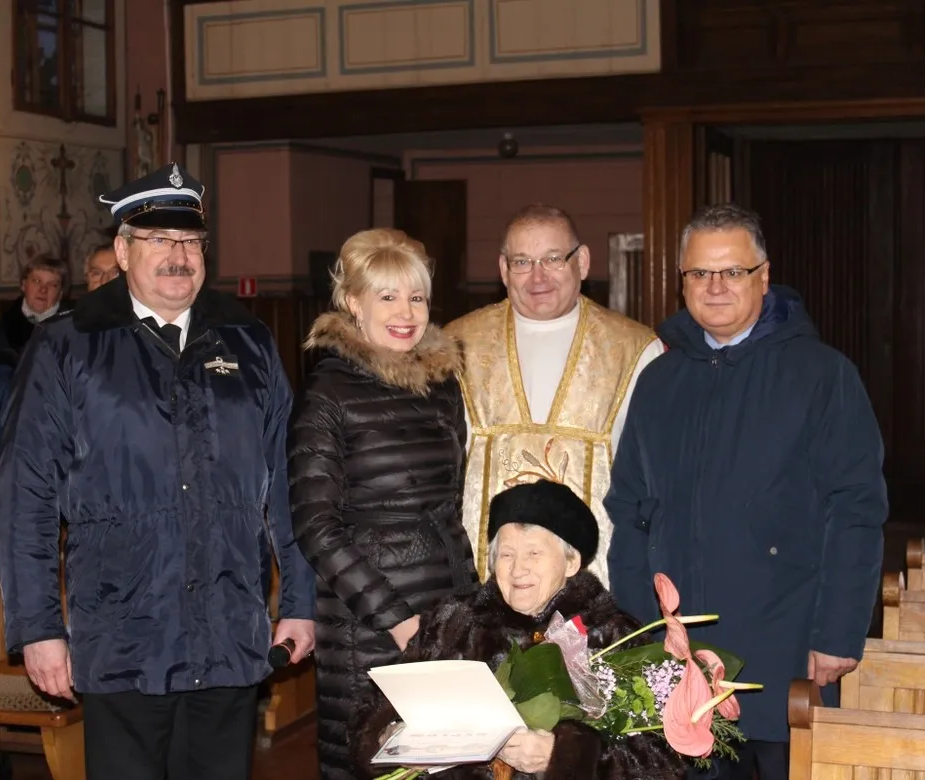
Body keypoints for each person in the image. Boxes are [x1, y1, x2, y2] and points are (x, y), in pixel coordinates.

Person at [0, 162, 316, 780]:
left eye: (191, 242)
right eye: (160, 241)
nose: (179, 256)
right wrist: (37, 627)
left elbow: (288, 478)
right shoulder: (69, 345)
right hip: (122, 637)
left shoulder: (246, 341)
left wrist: (299, 600)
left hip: (229, 636)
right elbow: (24, 496)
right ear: (122, 250)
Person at [606, 203, 887, 780]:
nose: (714, 287)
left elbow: (855, 510)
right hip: (679, 658)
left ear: (763, 276)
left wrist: (838, 634)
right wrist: (636, 632)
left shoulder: (822, 375)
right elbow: (629, 508)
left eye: (732, 272)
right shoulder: (659, 381)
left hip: (784, 644)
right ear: (680, 280)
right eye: (698, 274)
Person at [289, 228, 478, 780]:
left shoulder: (442, 382)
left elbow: (451, 505)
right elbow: (316, 526)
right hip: (368, 624)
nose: (406, 312)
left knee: (450, 765)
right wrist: (396, 621)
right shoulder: (328, 391)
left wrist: (470, 605)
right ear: (353, 303)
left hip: (448, 607)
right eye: (387, 296)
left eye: (416, 297)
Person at [352, 480, 685, 780]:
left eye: (534, 553)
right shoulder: (454, 620)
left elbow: (663, 763)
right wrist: (389, 739)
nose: (517, 568)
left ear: (571, 562)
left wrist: (559, 757)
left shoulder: (613, 636)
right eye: (506, 554)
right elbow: (373, 710)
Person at [445, 205, 664, 587]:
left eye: (552, 259)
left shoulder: (635, 349)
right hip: (484, 578)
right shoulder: (455, 345)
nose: (538, 276)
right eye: (522, 262)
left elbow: (654, 480)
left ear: (582, 262)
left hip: (597, 578)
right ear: (502, 269)